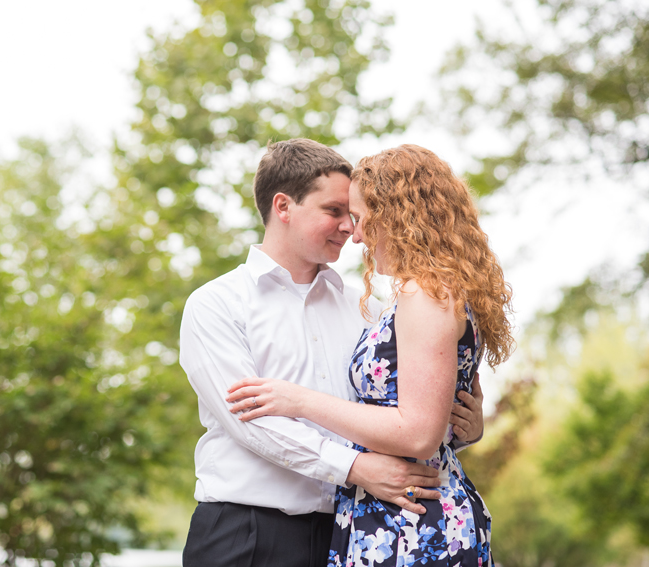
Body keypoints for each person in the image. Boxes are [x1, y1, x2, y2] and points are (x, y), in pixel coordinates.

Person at [179, 139, 485, 567]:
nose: (350, 228)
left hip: (355, 531)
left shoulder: (373, 313)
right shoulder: (217, 305)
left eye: (354, 214)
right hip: (247, 532)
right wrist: (355, 468)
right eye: (334, 211)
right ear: (283, 206)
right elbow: (251, 422)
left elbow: (410, 416)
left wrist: (466, 424)